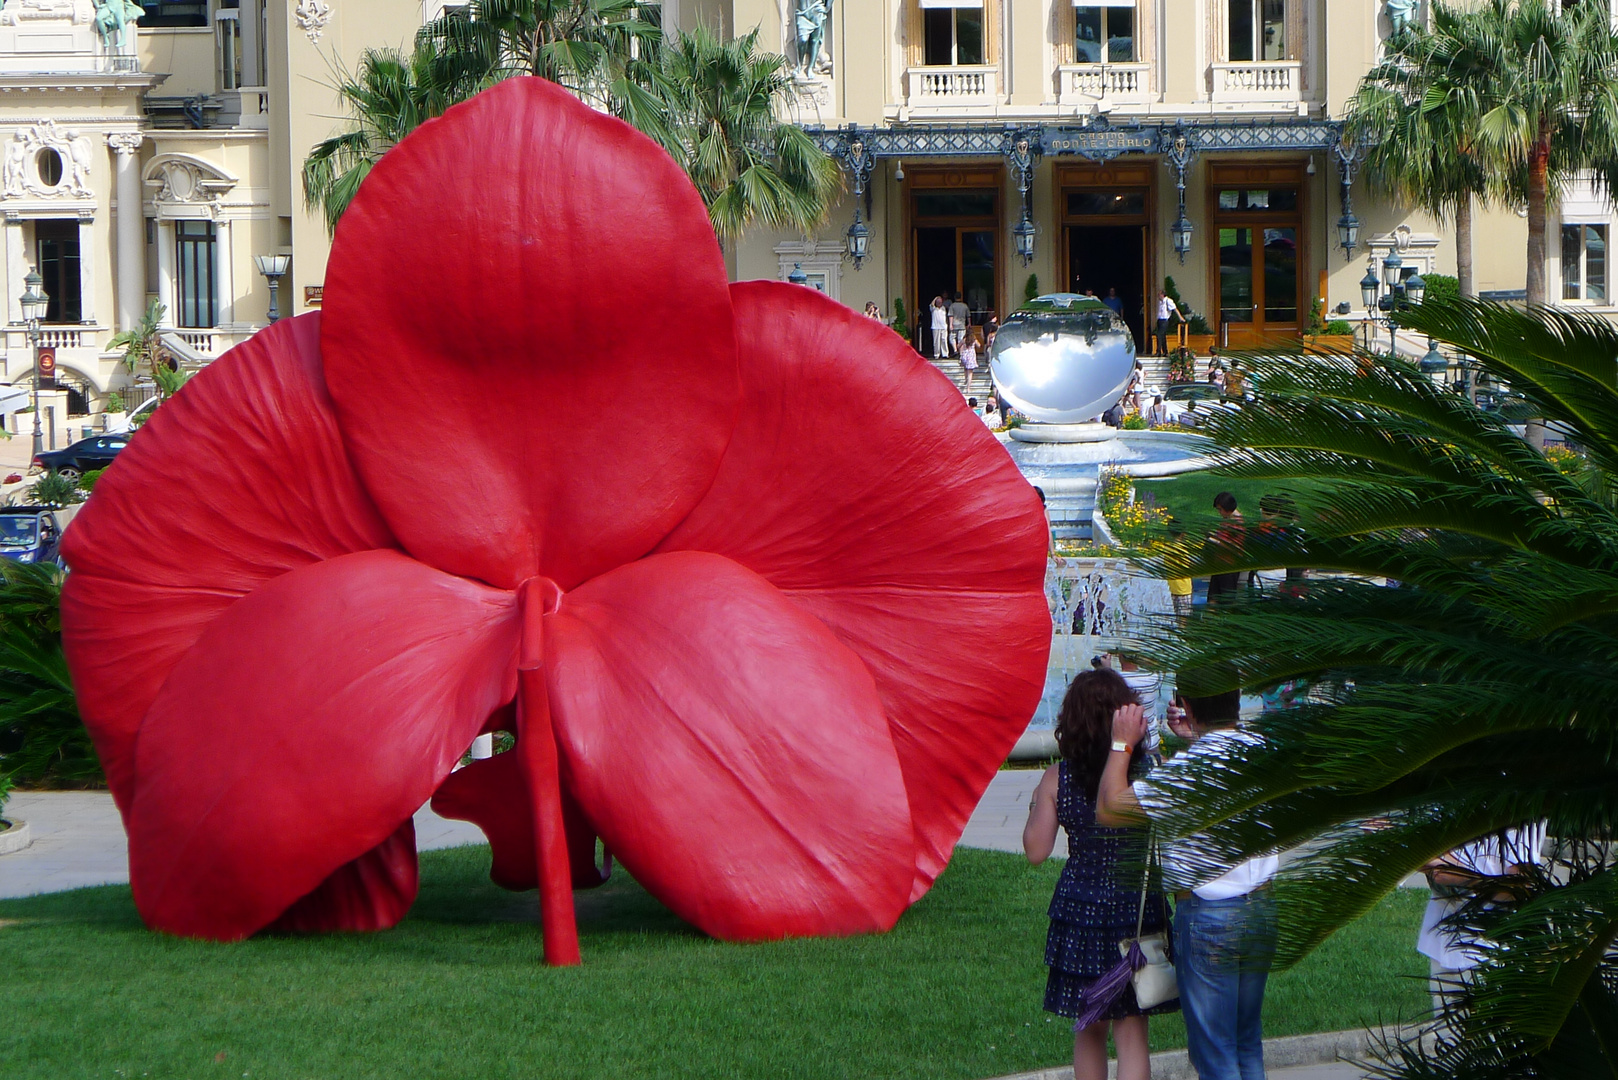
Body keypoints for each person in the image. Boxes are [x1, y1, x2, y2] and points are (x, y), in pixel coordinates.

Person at [1098, 689, 1280, 1080]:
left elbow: (1109, 808)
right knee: (1246, 1043)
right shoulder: (1264, 752)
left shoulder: (1184, 771)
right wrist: (1197, 735)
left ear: (1188, 704)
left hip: (1208, 917)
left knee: (1216, 1057)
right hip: (1262, 908)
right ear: (1236, 698)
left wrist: (1121, 743)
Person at [1024, 668, 1178, 1080]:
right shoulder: (1146, 774)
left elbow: (1035, 851)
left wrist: (1038, 800)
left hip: (1080, 914)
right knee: (1132, 1032)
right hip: (1135, 909)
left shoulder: (1060, 778)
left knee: (1089, 1028)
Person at [1418, 826, 1545, 1022]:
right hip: (1441, 939)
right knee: (1446, 1038)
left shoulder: (1524, 809)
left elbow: (1521, 885)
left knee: (1489, 1039)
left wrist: (1459, 874)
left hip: (1489, 947)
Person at [1207, 492, 1244, 606]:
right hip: (1219, 563)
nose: (1219, 512)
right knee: (1212, 598)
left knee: (1226, 601)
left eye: (1220, 509)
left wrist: (1216, 541)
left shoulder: (1237, 523)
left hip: (1229, 565)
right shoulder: (1227, 520)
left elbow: (1235, 546)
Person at [1154, 291, 1183, 357]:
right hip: (1160, 320)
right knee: (1163, 336)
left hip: (1165, 320)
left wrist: (1180, 317)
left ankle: (1158, 351)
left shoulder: (1168, 301)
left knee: (1159, 334)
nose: (1158, 296)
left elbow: (1175, 309)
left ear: (1162, 295)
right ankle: (1165, 352)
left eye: (1159, 295)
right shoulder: (1160, 302)